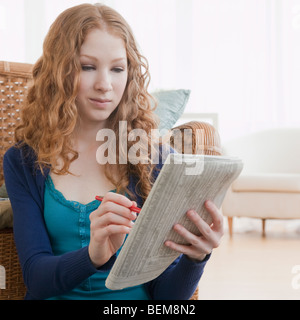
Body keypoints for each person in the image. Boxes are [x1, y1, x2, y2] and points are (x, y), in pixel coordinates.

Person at [3, 3, 224, 300]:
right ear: (59, 71)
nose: (105, 85)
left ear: (130, 75)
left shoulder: (155, 160)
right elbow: (35, 278)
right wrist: (93, 255)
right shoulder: (24, 161)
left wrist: (196, 258)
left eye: (117, 69)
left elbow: (166, 298)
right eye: (87, 67)